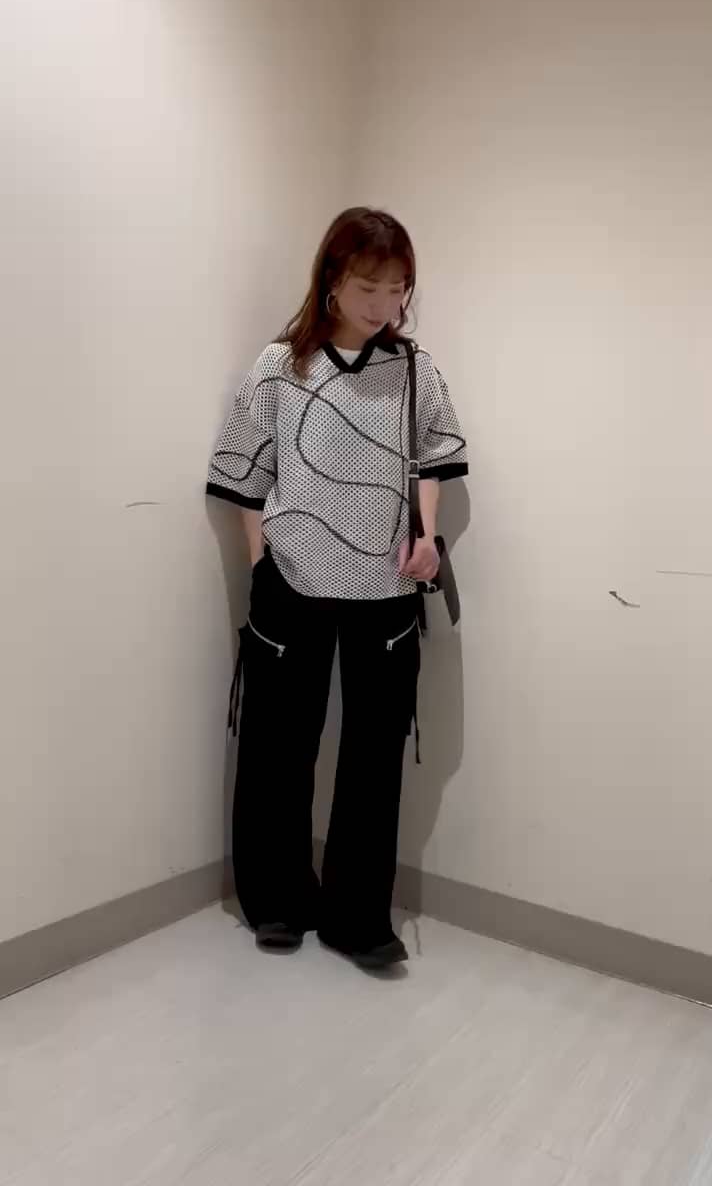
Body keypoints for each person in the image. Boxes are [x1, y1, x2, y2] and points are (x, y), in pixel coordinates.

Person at [207, 207, 468, 970]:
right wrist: (262, 561)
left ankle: (358, 918)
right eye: (367, 286)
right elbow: (244, 477)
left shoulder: (415, 371)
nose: (384, 303)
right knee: (276, 751)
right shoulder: (278, 368)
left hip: (386, 591)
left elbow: (436, 462)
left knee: (374, 759)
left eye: (397, 287)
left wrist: (426, 539)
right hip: (290, 585)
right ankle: (277, 900)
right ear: (331, 278)